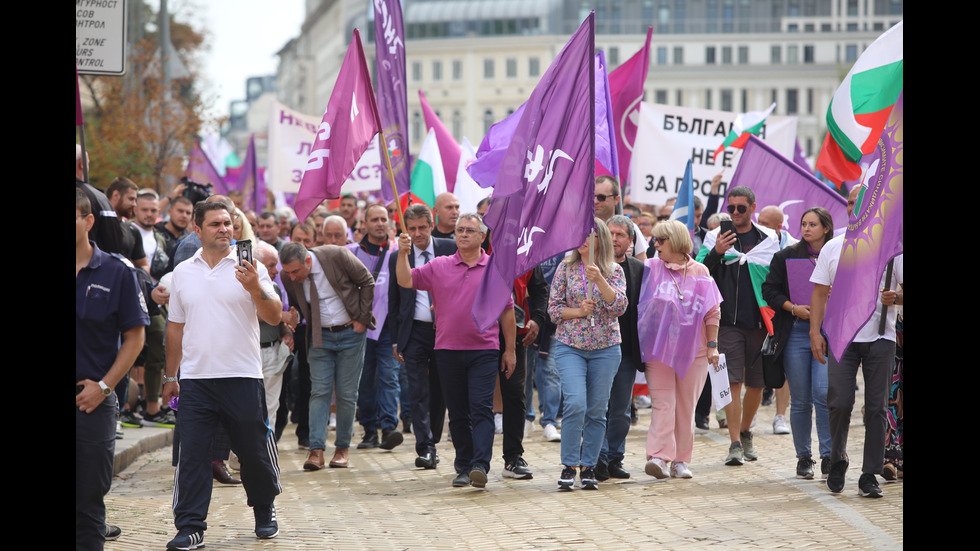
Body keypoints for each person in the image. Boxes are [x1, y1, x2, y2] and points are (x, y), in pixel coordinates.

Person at [162, 201, 283, 549]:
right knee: (193, 454)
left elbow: (274, 316)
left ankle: (264, 508)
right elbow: (174, 328)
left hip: (242, 375)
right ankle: (190, 526)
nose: (225, 229)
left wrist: (254, 288)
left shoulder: (251, 267)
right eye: (215, 224)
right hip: (198, 380)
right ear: (197, 230)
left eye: (228, 223)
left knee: (254, 451)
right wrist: (172, 377)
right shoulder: (184, 271)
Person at [395, 213, 517, 489]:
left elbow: (508, 313)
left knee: (481, 408)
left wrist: (510, 350)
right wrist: (403, 254)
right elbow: (405, 281)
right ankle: (463, 465)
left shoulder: (494, 268)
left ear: (482, 236)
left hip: (484, 350)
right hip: (447, 349)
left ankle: (480, 465)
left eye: (470, 231)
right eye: (460, 230)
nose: (463, 234)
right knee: (458, 412)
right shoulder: (439, 265)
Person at [809, 187, 903, 498]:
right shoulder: (833, 247)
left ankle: (869, 474)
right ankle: (838, 460)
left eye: (861, 200)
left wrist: (897, 297)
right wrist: (815, 333)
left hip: (880, 337)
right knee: (839, 402)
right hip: (841, 338)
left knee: (875, 408)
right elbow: (820, 293)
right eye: (850, 201)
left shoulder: (892, 250)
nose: (855, 205)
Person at [76, 188, 149, 551]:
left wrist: (104, 388)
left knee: (89, 498)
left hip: (91, 401)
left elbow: (135, 338)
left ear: (88, 221)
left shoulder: (117, 271)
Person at [698, 185, 778, 466]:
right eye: (730, 208)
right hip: (726, 323)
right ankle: (733, 442)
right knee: (731, 382)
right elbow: (701, 274)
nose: (734, 213)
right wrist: (717, 252)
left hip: (759, 322)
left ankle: (745, 431)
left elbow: (776, 280)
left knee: (756, 384)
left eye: (740, 208)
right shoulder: (714, 237)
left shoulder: (768, 239)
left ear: (753, 208)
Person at [279, 241, 375, 471]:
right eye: (288, 272)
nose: (291, 277)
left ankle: (342, 449)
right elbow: (296, 306)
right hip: (319, 337)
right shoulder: (287, 276)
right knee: (319, 390)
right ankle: (316, 450)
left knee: (346, 392)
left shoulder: (336, 255)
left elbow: (366, 281)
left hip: (350, 334)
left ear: (308, 261)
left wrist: (362, 318)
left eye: (296, 271)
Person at [547, 218, 628, 490]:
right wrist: (579, 312)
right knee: (575, 403)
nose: (583, 240)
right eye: (579, 234)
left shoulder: (614, 270)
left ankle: (589, 466)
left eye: (589, 235)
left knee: (596, 409)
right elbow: (554, 310)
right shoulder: (565, 268)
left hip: (606, 348)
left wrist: (601, 281)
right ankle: (569, 465)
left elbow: (619, 306)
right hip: (571, 346)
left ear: (600, 239)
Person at [638, 220, 721, 480]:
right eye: (654, 240)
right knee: (664, 403)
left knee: (686, 406)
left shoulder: (700, 271)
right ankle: (659, 457)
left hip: (694, 351)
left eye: (661, 240)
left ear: (675, 241)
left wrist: (712, 346)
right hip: (657, 349)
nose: (655, 244)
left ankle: (680, 461)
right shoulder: (650, 268)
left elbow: (712, 311)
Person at [762, 207, 834, 480]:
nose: (806, 229)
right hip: (795, 332)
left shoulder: (839, 253)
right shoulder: (786, 256)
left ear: (826, 228)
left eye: (813, 224)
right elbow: (769, 290)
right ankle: (804, 457)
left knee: (823, 394)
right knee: (801, 399)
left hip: (829, 333)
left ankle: (829, 456)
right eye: (804, 224)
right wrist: (792, 307)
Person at [387, 204, 456, 469]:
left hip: (445, 331)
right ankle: (425, 447)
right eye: (412, 228)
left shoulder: (449, 248)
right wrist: (396, 340)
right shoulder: (398, 257)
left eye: (422, 228)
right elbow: (394, 302)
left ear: (431, 225)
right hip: (414, 332)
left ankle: (434, 439)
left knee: (440, 389)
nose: (417, 234)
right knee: (417, 391)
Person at [596, 215, 644, 481]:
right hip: (598, 348)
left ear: (630, 241)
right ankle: (598, 458)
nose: (614, 239)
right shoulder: (593, 266)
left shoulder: (639, 269)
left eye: (620, 235)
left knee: (621, 410)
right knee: (597, 407)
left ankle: (615, 458)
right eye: (610, 233)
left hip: (626, 351)